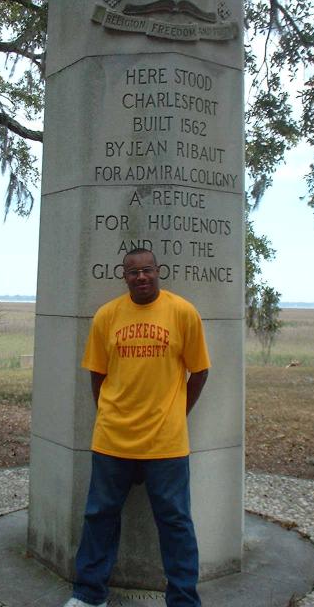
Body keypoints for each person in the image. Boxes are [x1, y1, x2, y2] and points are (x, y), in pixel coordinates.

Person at [64, 248, 211, 607]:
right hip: (113, 440)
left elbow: (200, 371)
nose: (141, 277)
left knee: (176, 523)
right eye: (133, 272)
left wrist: (176, 413)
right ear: (124, 276)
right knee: (99, 516)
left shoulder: (183, 312)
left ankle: (183, 599)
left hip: (167, 443)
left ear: (158, 271)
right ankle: (89, 594)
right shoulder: (107, 316)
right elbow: (97, 375)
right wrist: (112, 415)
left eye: (147, 270)